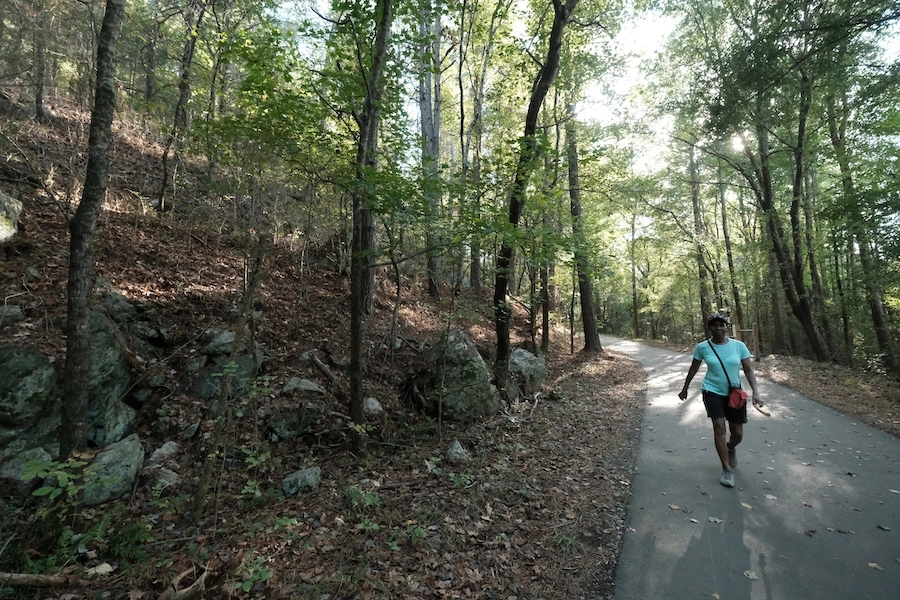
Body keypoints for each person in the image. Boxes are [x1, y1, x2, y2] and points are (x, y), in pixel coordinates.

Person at [678, 314, 764, 488]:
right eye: (714, 325)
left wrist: (756, 392)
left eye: (721, 325)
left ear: (726, 327)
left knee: (738, 433)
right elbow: (693, 368)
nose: (718, 328)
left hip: (735, 393)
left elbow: (749, 370)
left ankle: (730, 447)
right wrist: (685, 388)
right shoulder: (703, 347)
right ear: (709, 328)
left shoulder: (738, 346)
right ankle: (726, 469)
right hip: (712, 391)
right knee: (719, 428)